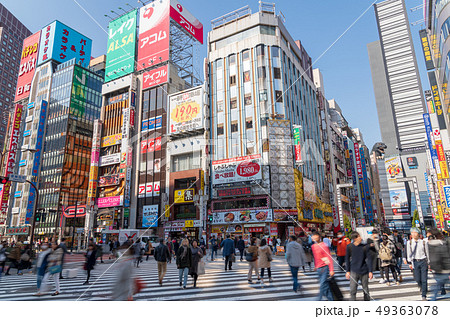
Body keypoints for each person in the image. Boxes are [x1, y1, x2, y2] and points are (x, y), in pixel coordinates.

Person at [345, 232, 373, 301]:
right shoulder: (349, 247)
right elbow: (347, 259)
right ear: (355, 238)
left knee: (366, 290)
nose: (361, 237)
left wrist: (370, 271)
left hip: (364, 271)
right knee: (353, 290)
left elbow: (369, 259)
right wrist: (347, 271)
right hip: (354, 271)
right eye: (359, 236)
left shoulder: (364, 247)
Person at [427, 228, 450, 301]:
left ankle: (433, 300)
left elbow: (444, 257)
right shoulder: (440, 243)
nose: (428, 238)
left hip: (440, 269)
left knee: (437, 287)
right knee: (437, 286)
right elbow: (445, 257)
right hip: (442, 269)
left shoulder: (434, 244)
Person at [406, 227, 428, 301]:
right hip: (415, 261)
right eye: (412, 233)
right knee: (418, 279)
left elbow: (427, 253)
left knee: (424, 279)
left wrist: (429, 262)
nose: (413, 234)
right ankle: (422, 287)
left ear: (418, 234)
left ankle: (424, 295)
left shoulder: (423, 242)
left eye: (415, 232)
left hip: (423, 261)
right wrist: (410, 263)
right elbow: (409, 253)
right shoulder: (409, 243)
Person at [311, 232, 334, 301]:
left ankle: (318, 299)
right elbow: (315, 257)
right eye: (313, 236)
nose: (313, 237)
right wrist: (315, 266)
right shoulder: (313, 246)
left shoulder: (324, 245)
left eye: (315, 235)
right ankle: (331, 300)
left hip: (324, 268)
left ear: (319, 237)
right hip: (318, 269)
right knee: (325, 287)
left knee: (322, 285)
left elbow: (329, 257)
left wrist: (331, 269)